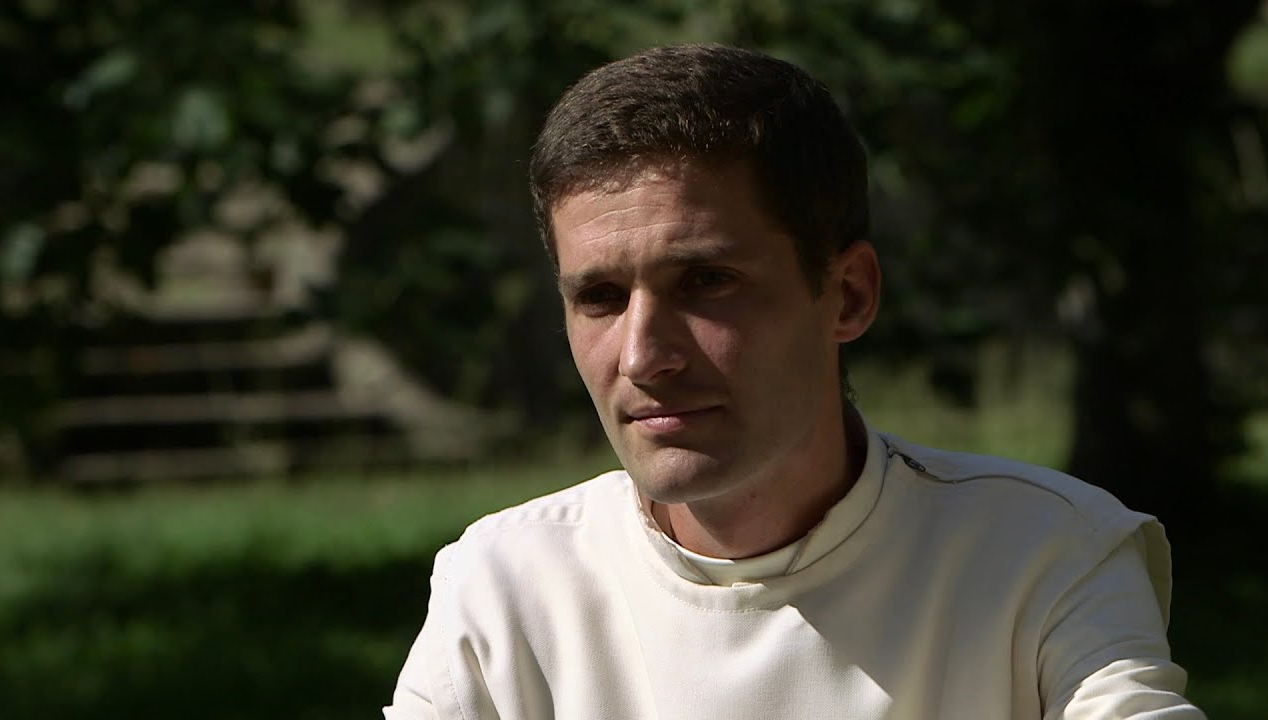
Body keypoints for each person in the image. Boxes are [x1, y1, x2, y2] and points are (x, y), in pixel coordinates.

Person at [385, 44, 1202, 719]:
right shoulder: (505, 587)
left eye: (705, 282)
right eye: (599, 297)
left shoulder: (1043, 555)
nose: (641, 357)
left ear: (847, 295)